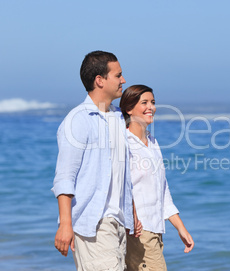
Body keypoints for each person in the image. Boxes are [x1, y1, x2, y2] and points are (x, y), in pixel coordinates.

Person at [52, 50, 142, 271]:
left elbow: (122, 174)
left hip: (119, 223)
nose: (124, 80)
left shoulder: (119, 118)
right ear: (99, 80)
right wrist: (65, 224)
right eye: (118, 75)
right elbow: (65, 176)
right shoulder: (78, 121)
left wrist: (132, 213)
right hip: (93, 223)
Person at [119, 84, 194, 271]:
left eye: (152, 102)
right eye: (144, 102)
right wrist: (132, 219)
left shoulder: (152, 142)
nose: (150, 107)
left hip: (156, 229)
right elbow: (122, 187)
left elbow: (162, 190)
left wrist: (180, 228)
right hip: (137, 230)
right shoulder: (124, 143)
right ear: (129, 108)